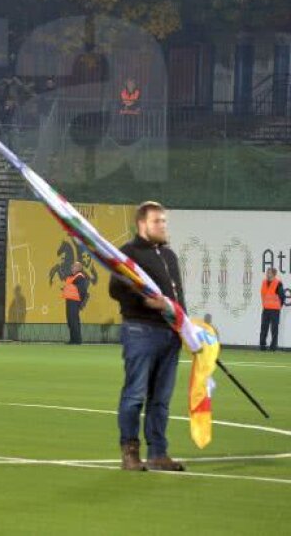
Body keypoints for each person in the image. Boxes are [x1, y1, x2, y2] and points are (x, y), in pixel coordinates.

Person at [110, 201, 186, 473]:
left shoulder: (169, 257)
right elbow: (116, 289)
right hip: (141, 330)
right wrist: (144, 301)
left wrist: (184, 328)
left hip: (169, 334)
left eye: (164, 221)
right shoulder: (127, 255)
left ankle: (158, 452)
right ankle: (130, 452)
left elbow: (177, 298)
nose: (163, 226)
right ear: (142, 224)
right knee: (135, 394)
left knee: (161, 399)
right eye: (157, 221)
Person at [62, 262, 90, 345]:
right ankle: (73, 339)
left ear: (78, 268)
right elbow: (73, 287)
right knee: (70, 320)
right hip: (70, 300)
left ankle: (77, 340)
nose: (71, 267)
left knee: (73, 320)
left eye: (73, 266)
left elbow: (83, 290)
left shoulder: (80, 277)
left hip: (74, 301)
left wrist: (80, 302)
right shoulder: (72, 277)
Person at [259, 267, 286, 352]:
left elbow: (282, 296)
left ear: (274, 274)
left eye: (269, 273)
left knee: (274, 329)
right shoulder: (264, 282)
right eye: (267, 272)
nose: (267, 274)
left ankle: (273, 347)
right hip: (266, 309)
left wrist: (278, 306)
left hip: (274, 310)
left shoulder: (278, 283)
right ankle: (262, 346)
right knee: (264, 328)